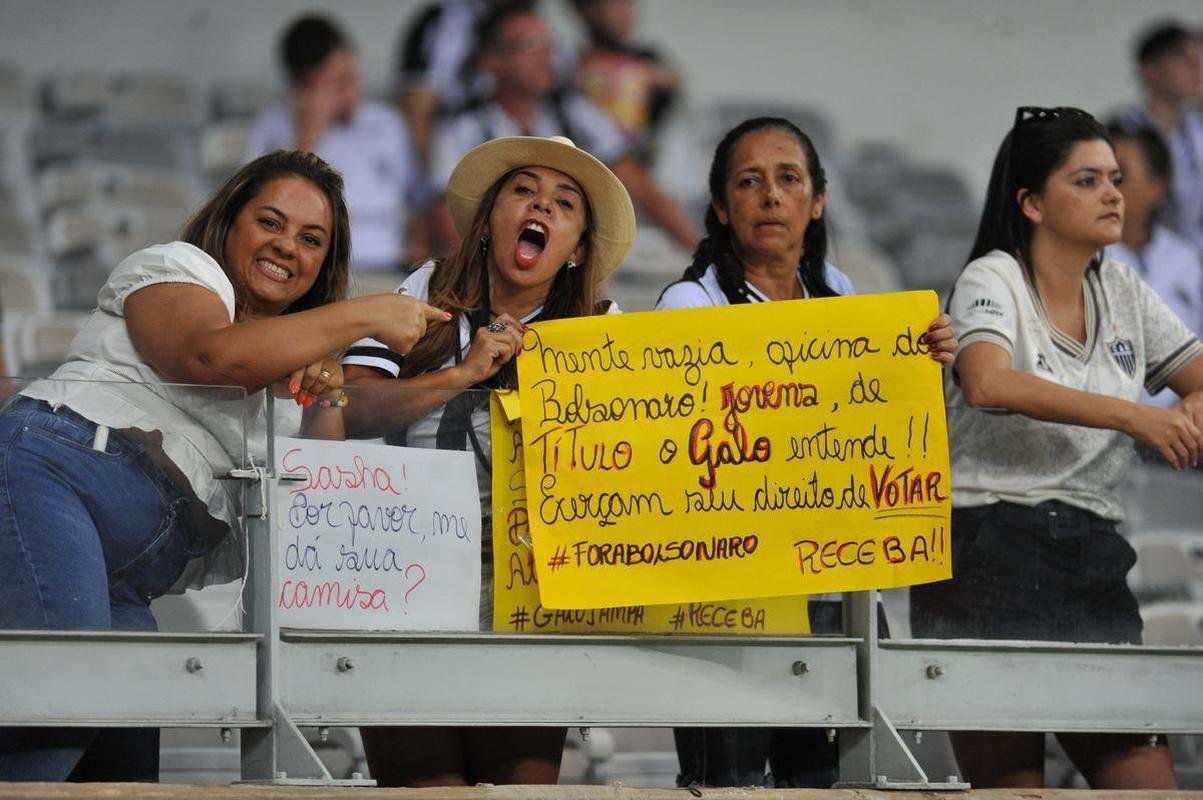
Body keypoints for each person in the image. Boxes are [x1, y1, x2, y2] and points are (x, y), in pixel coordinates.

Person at [0, 150, 445, 782]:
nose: (287, 245)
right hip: (47, 477)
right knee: (56, 711)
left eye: (311, 239)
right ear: (230, 221)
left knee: (120, 770)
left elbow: (313, 497)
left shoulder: (300, 365)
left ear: (323, 264)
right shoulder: (175, 268)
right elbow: (210, 357)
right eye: (270, 222)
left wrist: (336, 387)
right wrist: (366, 314)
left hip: (123, 577)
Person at [655, 117, 955, 789]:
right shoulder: (687, 305)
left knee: (824, 784)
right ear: (720, 207)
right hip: (729, 596)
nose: (769, 196)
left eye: (788, 179)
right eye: (748, 182)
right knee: (727, 785)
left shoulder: (844, 298)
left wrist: (918, 365)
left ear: (816, 201)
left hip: (830, 586)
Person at [909, 106, 1203, 789]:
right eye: (1087, 180)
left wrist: (1187, 412)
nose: (1112, 194)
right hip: (983, 552)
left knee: (1147, 784)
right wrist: (1135, 417)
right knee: (1013, 790)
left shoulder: (1124, 288)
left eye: (1115, 179)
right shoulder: (991, 277)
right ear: (1032, 203)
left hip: (1090, 555)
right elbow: (985, 381)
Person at [343, 133, 634, 787]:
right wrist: (459, 377)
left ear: (579, 248)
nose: (542, 206)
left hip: (529, 594)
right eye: (523, 191)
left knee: (519, 789)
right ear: (486, 224)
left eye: (565, 202)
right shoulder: (420, 295)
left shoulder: (606, 328)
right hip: (401, 581)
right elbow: (347, 412)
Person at [430, 3, 699, 251]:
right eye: (529, 45)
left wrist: (700, 250)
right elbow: (448, 215)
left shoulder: (572, 112)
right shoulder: (464, 127)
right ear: (490, 60)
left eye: (549, 45)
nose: (544, 57)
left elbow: (634, 181)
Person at [247, 14, 428, 274]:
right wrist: (307, 136)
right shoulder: (274, 127)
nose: (352, 91)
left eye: (352, 76)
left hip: (388, 260)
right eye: (337, 83)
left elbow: (419, 197)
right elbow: (261, 203)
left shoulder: (386, 122)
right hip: (319, 266)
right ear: (303, 88)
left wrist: (416, 244)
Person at [1106, 123, 1203, 408]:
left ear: (1156, 188)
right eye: (1091, 178)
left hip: (1187, 423)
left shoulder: (1186, 258)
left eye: (1119, 175)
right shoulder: (1085, 258)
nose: (1107, 189)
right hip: (1112, 423)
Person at [1117, 20, 1203, 251]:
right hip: (1135, 252)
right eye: (1184, 59)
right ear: (1150, 70)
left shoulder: (1197, 130)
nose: (1196, 68)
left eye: (1198, 59)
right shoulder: (1122, 133)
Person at [568, 0, 682, 167]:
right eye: (616, 4)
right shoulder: (572, 61)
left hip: (639, 164)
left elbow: (674, 86)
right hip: (590, 163)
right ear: (585, 11)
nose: (626, 13)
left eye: (628, 4)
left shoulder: (647, 58)